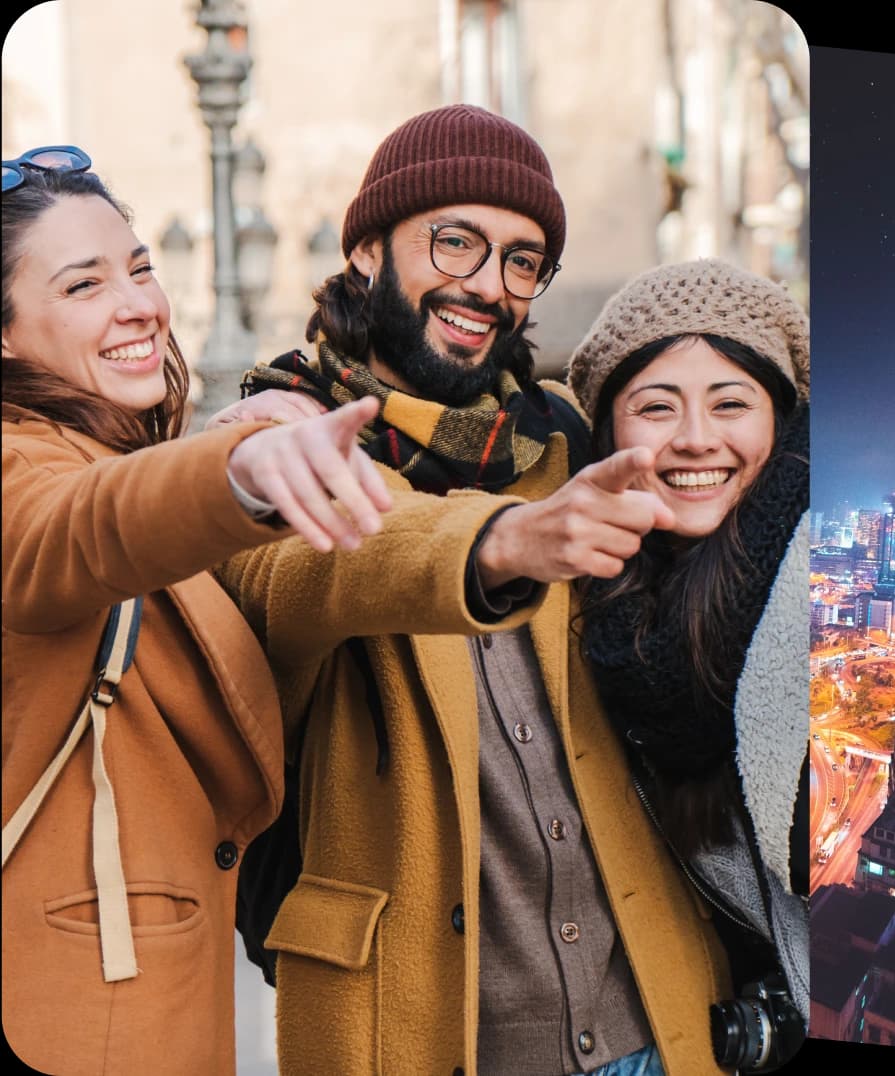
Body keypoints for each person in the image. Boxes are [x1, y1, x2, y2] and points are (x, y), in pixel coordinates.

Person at [213, 105, 734, 1076]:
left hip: (652, 1021)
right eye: (456, 241)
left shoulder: (565, 437)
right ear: (367, 248)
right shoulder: (274, 439)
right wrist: (501, 542)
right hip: (424, 1031)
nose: (489, 285)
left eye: (522, 261)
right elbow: (308, 569)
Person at [0, 148, 392, 1075]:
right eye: (83, 285)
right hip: (75, 1014)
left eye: (139, 269)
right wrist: (236, 473)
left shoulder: (100, 451)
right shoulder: (19, 466)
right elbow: (80, 526)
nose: (138, 303)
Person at [568, 259, 811, 1069]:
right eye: (657, 407)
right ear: (609, 433)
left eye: (731, 403)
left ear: (782, 420)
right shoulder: (606, 597)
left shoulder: (823, 584)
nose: (697, 438)